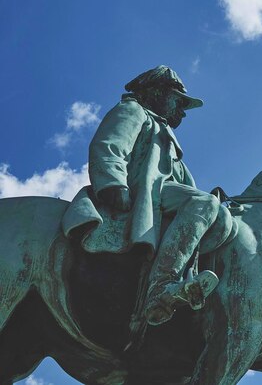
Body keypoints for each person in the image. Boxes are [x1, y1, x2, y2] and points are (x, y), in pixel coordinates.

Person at [69, 65, 221, 326]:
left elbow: (183, 182)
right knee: (204, 203)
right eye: (178, 100)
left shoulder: (165, 134)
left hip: (161, 197)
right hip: (144, 195)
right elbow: (109, 144)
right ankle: (162, 286)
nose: (182, 110)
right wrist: (112, 183)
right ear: (156, 92)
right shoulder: (134, 111)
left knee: (214, 208)